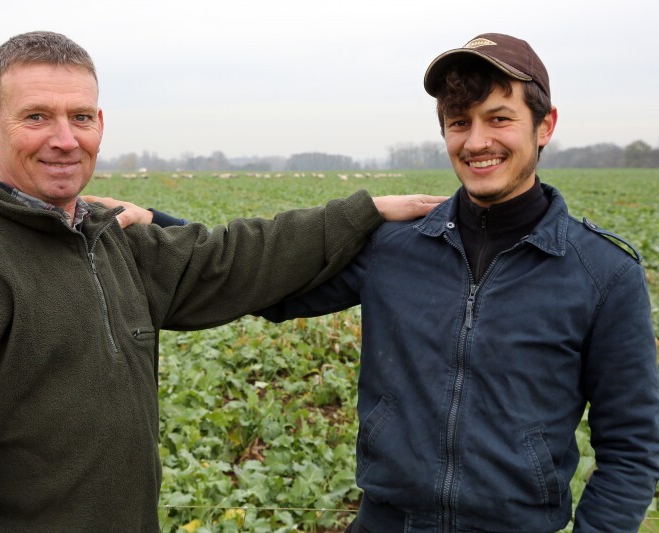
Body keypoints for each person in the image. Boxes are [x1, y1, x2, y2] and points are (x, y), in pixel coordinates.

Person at [0, 31, 445, 531]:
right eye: (37, 116)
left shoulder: (110, 236)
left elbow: (232, 260)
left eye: (80, 117)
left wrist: (363, 212)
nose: (65, 138)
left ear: (100, 124)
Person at [259, 33, 659, 532]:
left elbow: (631, 450)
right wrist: (156, 235)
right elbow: (264, 283)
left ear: (545, 125)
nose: (476, 142)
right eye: (459, 123)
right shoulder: (391, 247)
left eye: (499, 119)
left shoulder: (603, 273)